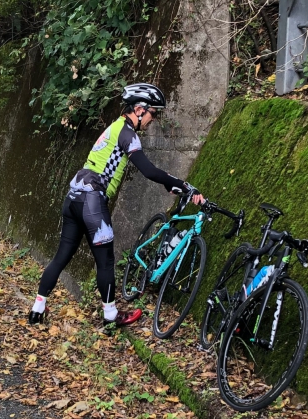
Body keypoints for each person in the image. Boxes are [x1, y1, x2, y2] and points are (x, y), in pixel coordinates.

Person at [29, 83, 203, 327]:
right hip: (92, 201)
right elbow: (148, 170)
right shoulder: (127, 133)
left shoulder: (114, 127)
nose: (153, 119)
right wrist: (183, 185)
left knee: (61, 256)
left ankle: (37, 310)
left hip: (74, 197)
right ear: (139, 109)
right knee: (105, 262)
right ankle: (110, 315)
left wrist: (170, 184)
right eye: (153, 113)